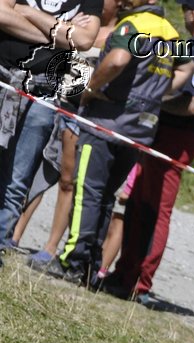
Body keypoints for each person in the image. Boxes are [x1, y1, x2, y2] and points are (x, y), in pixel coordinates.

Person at [29, 0, 187, 286]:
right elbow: (187, 70)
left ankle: (71, 262)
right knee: (105, 197)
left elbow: (116, 61)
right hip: (138, 131)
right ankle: (91, 265)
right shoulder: (170, 32)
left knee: (87, 192)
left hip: (107, 124)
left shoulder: (133, 25)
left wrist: (89, 88)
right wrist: (155, 95)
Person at [101, 0, 194, 302]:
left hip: (177, 136)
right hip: (176, 134)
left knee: (154, 208)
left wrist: (152, 99)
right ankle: (126, 273)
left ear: (193, 14)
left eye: (185, 10)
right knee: (142, 203)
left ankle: (138, 281)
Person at [0, 0, 104, 250]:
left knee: (17, 180)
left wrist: (25, 12)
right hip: (4, 76)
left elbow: (83, 40)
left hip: (43, 92)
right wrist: (62, 32)